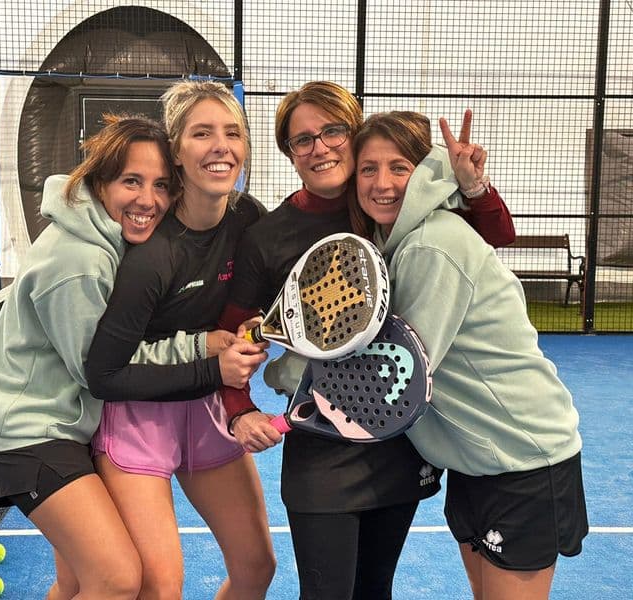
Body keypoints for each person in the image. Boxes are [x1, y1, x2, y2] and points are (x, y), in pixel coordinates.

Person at [218, 81, 516, 600]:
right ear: (289, 152)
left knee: (376, 588)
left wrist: (474, 188)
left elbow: (494, 236)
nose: (320, 147)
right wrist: (239, 409)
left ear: (353, 136)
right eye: (302, 139)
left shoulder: (391, 205)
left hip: (397, 440)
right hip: (320, 447)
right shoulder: (267, 238)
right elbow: (236, 333)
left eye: (333, 131)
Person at [0, 115, 218, 599]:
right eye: (131, 181)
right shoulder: (79, 262)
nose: (148, 200)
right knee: (116, 578)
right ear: (100, 182)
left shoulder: (106, 240)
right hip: (29, 438)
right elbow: (102, 367)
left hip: (63, 430)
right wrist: (200, 348)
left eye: (161, 185)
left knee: (75, 582)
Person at [349, 110, 588, 600]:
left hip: (522, 459)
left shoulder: (432, 245)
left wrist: (292, 371)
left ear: (425, 173)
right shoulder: (394, 242)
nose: (382, 183)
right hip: (475, 460)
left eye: (399, 167)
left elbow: (398, 373)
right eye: (368, 168)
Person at [83, 81, 275, 600]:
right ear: (176, 152)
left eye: (232, 133)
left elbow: (258, 301)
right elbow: (104, 375)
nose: (221, 146)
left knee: (256, 569)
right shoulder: (152, 255)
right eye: (202, 133)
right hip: (137, 419)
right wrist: (214, 366)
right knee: (160, 588)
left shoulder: (248, 218)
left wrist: (253, 332)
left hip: (208, 412)